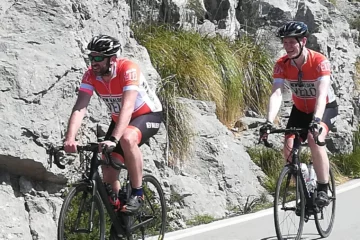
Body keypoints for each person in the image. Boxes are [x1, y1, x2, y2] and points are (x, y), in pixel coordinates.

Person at [63, 34, 163, 214]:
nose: (94, 62)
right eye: (91, 57)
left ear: (112, 59)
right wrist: (70, 138)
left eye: (99, 58)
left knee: (127, 138)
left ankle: (138, 193)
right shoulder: (90, 75)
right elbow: (80, 107)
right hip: (120, 120)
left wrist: (113, 139)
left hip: (147, 115)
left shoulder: (128, 69)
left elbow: (128, 106)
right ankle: (119, 217)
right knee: (108, 168)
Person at [260, 21, 338, 207]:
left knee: (313, 138)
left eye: (291, 43)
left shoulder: (319, 61)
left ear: (303, 41)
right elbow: (277, 93)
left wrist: (317, 120)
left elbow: (321, 95)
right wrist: (268, 122)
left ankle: (322, 188)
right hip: (300, 109)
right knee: (287, 147)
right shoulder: (282, 64)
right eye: (285, 43)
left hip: (325, 107)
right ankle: (304, 177)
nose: (287, 47)